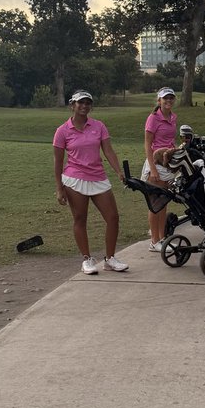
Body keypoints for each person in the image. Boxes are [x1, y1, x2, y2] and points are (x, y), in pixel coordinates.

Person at [53, 90, 129, 275]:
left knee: (113, 217)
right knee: (80, 219)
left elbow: (108, 151)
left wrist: (118, 171)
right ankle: (86, 259)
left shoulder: (98, 126)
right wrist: (59, 188)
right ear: (73, 105)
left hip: (98, 177)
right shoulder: (62, 131)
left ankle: (110, 258)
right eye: (81, 103)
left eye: (88, 103)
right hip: (74, 179)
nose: (84, 106)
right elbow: (58, 161)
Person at [143, 87, 178, 251]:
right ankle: (154, 241)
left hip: (167, 165)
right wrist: (153, 169)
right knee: (155, 205)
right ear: (159, 101)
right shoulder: (153, 118)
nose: (168, 101)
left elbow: (171, 140)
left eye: (171, 98)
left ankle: (163, 238)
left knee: (164, 204)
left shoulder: (173, 117)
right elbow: (148, 145)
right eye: (165, 99)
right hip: (155, 164)